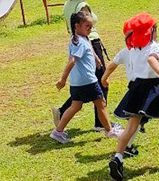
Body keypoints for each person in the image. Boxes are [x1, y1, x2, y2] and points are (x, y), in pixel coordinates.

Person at [105, 13, 159, 181]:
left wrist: (104, 78)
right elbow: (152, 60)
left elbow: (115, 65)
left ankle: (118, 157)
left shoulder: (133, 50)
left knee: (131, 126)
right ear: (152, 31)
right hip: (152, 85)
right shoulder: (155, 47)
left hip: (136, 88)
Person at [54, 0, 116, 133]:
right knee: (102, 82)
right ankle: (101, 123)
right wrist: (95, 55)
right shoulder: (82, 6)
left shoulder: (68, 4)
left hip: (77, 42)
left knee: (88, 84)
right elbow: (88, 28)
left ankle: (62, 111)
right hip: (90, 43)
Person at [51, 11, 119, 144]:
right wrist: (62, 79)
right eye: (87, 26)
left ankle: (58, 132)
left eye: (91, 26)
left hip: (77, 81)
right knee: (101, 103)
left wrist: (97, 59)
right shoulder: (80, 42)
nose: (90, 29)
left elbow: (89, 49)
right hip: (87, 80)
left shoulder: (78, 38)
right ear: (77, 26)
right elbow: (72, 60)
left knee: (75, 106)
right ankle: (109, 130)